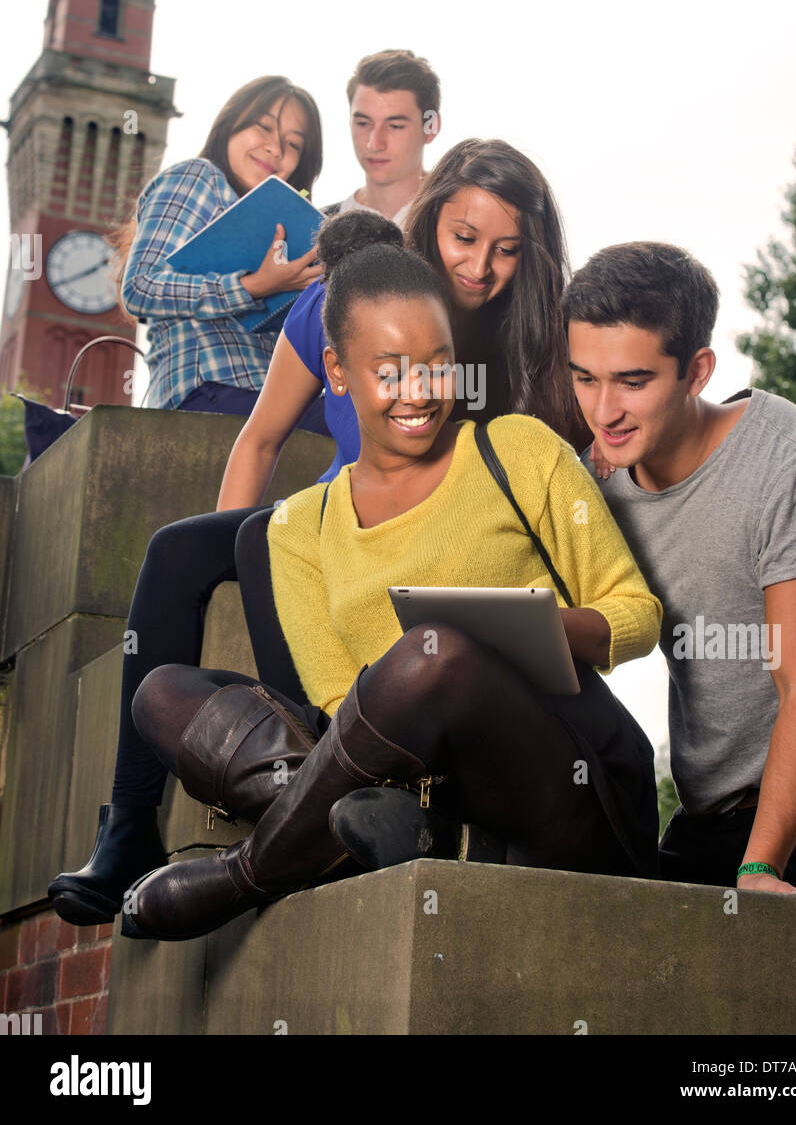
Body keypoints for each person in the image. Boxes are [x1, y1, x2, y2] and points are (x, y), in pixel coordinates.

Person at [47, 136, 580, 926]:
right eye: (463, 239)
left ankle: (325, 779)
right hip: (333, 517)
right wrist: (236, 530)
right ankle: (127, 827)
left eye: (504, 250)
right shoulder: (341, 302)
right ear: (429, 221)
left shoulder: (531, 350)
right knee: (189, 547)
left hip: (429, 549)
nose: (478, 266)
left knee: (275, 541)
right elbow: (260, 437)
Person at [119, 240, 663, 941]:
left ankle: (249, 873)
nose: (419, 392)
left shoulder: (516, 450)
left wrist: (534, 631)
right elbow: (339, 706)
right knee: (162, 693)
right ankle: (390, 833)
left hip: (565, 779)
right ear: (337, 373)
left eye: (437, 364)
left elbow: (638, 616)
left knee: (432, 652)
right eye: (390, 371)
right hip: (406, 781)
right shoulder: (297, 528)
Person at [563, 240, 796, 1003]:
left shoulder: (790, 460)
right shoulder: (595, 479)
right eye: (585, 379)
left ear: (696, 371)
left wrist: (760, 870)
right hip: (703, 813)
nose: (604, 410)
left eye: (632, 382)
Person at [115, 74, 325, 415]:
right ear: (231, 124)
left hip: (274, 398)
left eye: (294, 144)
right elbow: (140, 287)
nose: (276, 148)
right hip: (214, 392)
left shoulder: (281, 226)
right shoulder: (200, 177)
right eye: (263, 127)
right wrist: (254, 286)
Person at [319, 48, 441, 227]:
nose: (373, 144)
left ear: (431, 127)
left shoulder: (462, 221)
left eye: (395, 126)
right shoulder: (319, 227)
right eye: (363, 123)